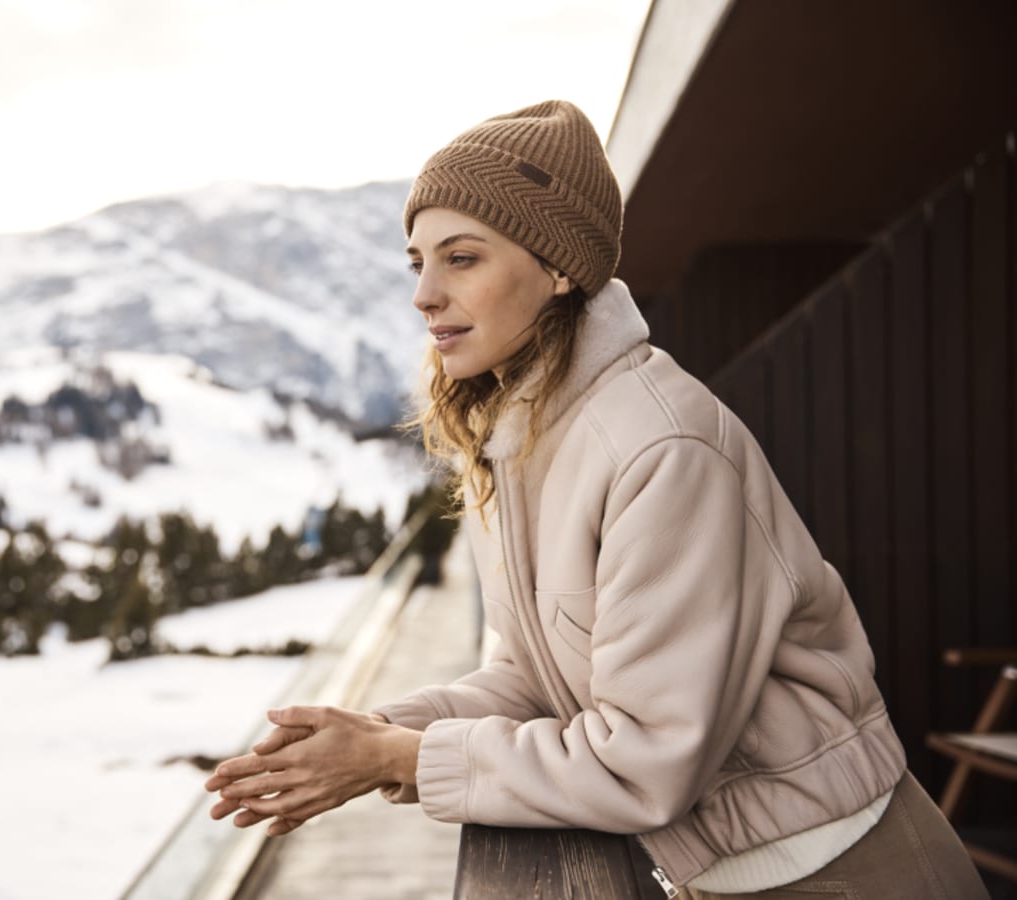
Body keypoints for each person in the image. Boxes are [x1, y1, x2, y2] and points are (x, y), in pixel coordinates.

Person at [204, 100, 987, 899]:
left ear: (559, 267)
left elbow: (647, 760)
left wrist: (397, 758)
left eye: (462, 257)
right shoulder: (522, 434)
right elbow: (538, 675)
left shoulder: (660, 449)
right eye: (418, 263)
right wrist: (383, 731)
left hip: (848, 873)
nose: (425, 295)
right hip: (724, 875)